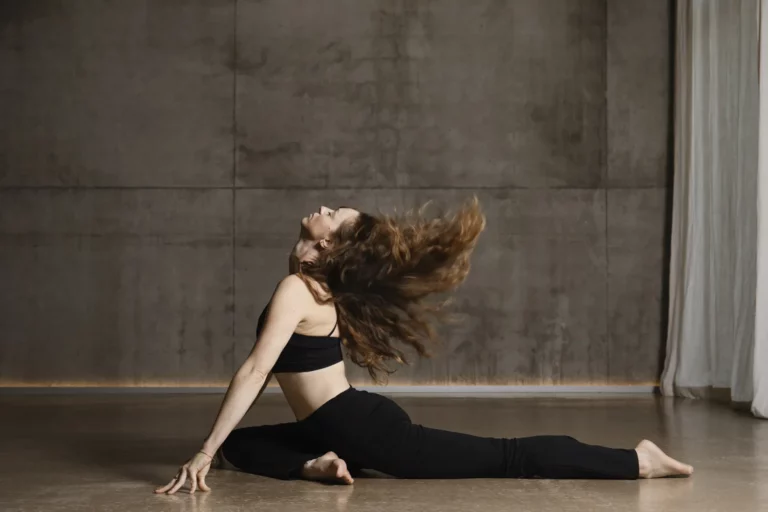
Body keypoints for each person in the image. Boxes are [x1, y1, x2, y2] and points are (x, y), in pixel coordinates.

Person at [155, 197, 693, 495]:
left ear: (327, 243)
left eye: (336, 213)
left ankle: (635, 460)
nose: (329, 202)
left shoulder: (299, 288)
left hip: (361, 426)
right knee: (239, 446)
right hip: (332, 426)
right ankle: (317, 464)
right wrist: (213, 449)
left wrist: (198, 453)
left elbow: (255, 372)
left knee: (507, 457)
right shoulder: (310, 282)